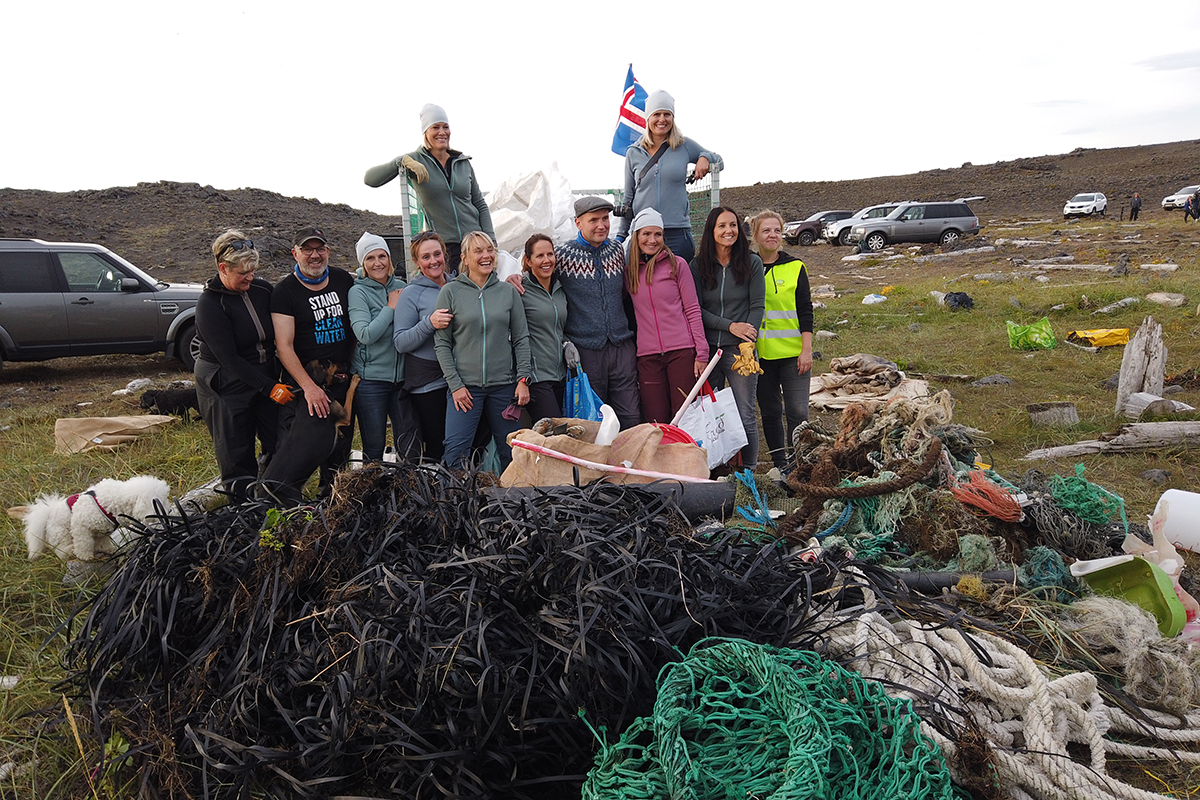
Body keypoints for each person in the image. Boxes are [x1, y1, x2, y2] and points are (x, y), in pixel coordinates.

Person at [258, 226, 356, 505]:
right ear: (295, 253)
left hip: (340, 378)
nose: (315, 255)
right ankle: (279, 505)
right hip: (306, 384)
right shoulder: (285, 292)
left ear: (328, 251)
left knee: (339, 450)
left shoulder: (342, 280)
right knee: (298, 449)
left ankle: (332, 503)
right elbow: (284, 346)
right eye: (307, 249)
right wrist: (310, 388)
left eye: (320, 249)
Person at [194, 230, 284, 501]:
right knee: (236, 449)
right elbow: (230, 359)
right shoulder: (210, 304)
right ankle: (241, 510)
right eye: (242, 272)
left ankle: (272, 496)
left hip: (265, 372)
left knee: (277, 439)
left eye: (253, 270)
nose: (250, 277)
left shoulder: (263, 289)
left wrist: (273, 383)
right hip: (225, 382)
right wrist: (271, 388)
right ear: (223, 268)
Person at [434, 231, 532, 470]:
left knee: (511, 452)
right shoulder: (451, 292)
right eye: (478, 251)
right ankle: (455, 504)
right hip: (465, 390)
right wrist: (455, 385)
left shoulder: (507, 292)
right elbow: (442, 344)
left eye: (490, 250)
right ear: (465, 258)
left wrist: (523, 379)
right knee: (456, 451)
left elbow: (521, 338)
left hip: (504, 387)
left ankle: (512, 502)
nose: (486, 256)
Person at [363, 104, 494, 271]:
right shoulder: (415, 161)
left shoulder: (463, 162)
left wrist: (491, 241)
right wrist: (401, 161)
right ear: (425, 132)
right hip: (444, 248)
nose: (442, 132)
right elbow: (370, 179)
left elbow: (479, 203)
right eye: (435, 127)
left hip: (474, 243)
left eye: (445, 127)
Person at [548, 196, 641, 429]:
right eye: (594, 220)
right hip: (586, 351)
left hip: (621, 346)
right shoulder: (563, 255)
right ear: (578, 223)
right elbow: (540, 281)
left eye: (605, 219)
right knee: (593, 419)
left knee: (630, 414)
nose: (602, 225)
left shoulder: (617, 250)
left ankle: (628, 463)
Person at [690, 206, 766, 468]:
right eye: (722, 226)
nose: (728, 231)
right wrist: (730, 325)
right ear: (712, 231)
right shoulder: (698, 266)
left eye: (733, 225)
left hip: (739, 350)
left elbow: (757, 305)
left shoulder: (752, 263)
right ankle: (711, 468)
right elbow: (696, 308)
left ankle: (749, 472)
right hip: (708, 349)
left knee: (745, 413)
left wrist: (749, 340)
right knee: (708, 412)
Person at [614, 90, 722, 263]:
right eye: (656, 114)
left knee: (678, 286)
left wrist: (705, 158)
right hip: (644, 233)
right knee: (639, 287)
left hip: (677, 234)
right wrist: (621, 236)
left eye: (667, 114)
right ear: (648, 118)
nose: (662, 119)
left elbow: (719, 161)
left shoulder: (684, 146)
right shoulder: (633, 153)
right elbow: (629, 197)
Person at [624, 208, 708, 423]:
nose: (652, 240)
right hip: (648, 357)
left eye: (658, 234)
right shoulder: (630, 272)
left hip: (681, 352)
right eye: (646, 234)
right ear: (636, 236)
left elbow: (692, 308)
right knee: (655, 421)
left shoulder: (677, 265)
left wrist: (702, 352)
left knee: (684, 417)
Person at [751, 210, 813, 476]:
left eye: (776, 230)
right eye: (766, 230)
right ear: (755, 235)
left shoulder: (796, 267)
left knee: (798, 411)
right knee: (771, 412)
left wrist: (806, 349)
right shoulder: (747, 267)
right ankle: (780, 465)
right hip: (762, 357)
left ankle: (800, 464)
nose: (772, 235)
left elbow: (805, 311)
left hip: (793, 354)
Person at [348, 232, 418, 462]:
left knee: (408, 444)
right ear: (362, 263)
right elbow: (365, 334)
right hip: (371, 381)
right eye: (370, 258)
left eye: (382, 256)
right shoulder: (357, 292)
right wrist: (390, 307)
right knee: (374, 446)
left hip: (402, 380)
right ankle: (372, 494)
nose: (377, 263)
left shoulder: (402, 286)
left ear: (389, 258)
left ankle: (409, 492)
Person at [393, 232, 454, 461]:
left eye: (437, 254)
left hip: (458, 380)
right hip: (429, 385)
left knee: (460, 444)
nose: (433, 261)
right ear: (417, 262)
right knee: (438, 449)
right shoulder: (411, 293)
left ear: (444, 255)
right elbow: (400, 342)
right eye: (426, 257)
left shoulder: (457, 285)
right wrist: (428, 323)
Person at [519, 233, 569, 421]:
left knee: (564, 432)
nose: (546, 260)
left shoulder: (560, 289)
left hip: (561, 375)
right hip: (536, 377)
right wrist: (523, 378)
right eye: (539, 256)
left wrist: (567, 344)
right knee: (554, 435)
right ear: (528, 261)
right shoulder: (520, 291)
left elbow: (558, 328)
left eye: (550, 254)